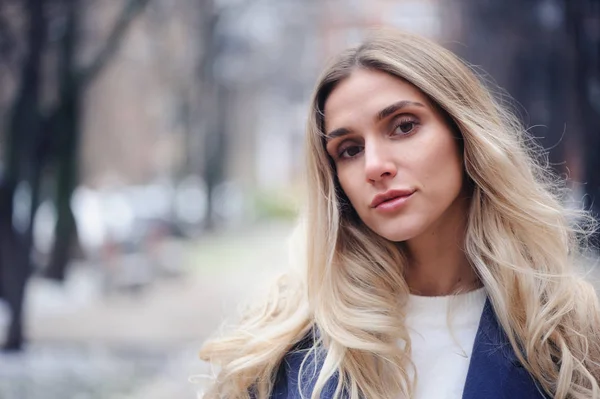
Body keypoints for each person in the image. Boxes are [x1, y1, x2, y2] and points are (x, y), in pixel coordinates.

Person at [199, 29, 600, 399]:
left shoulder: (569, 331)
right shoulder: (284, 340)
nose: (375, 166)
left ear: (464, 133)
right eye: (350, 149)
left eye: (403, 126)